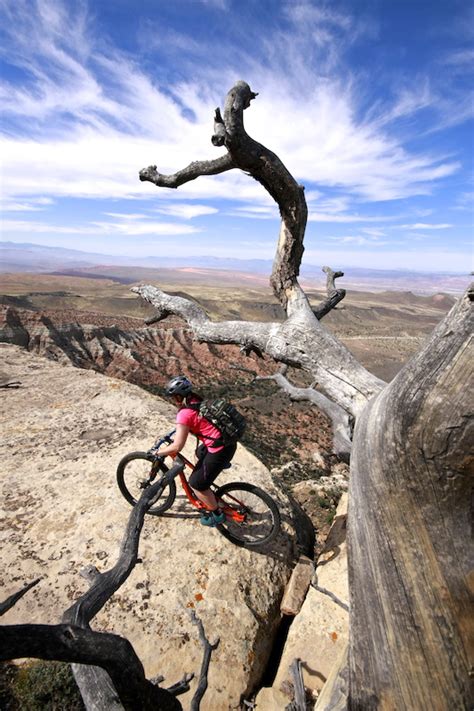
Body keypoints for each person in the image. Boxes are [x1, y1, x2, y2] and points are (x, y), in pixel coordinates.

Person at [156, 375, 237, 527]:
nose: (173, 399)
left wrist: (158, 453)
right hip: (228, 443)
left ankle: (216, 515)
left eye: (173, 397)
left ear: (178, 396)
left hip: (219, 450)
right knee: (198, 453)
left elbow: (177, 447)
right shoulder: (196, 400)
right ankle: (210, 474)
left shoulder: (184, 413)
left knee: (196, 484)